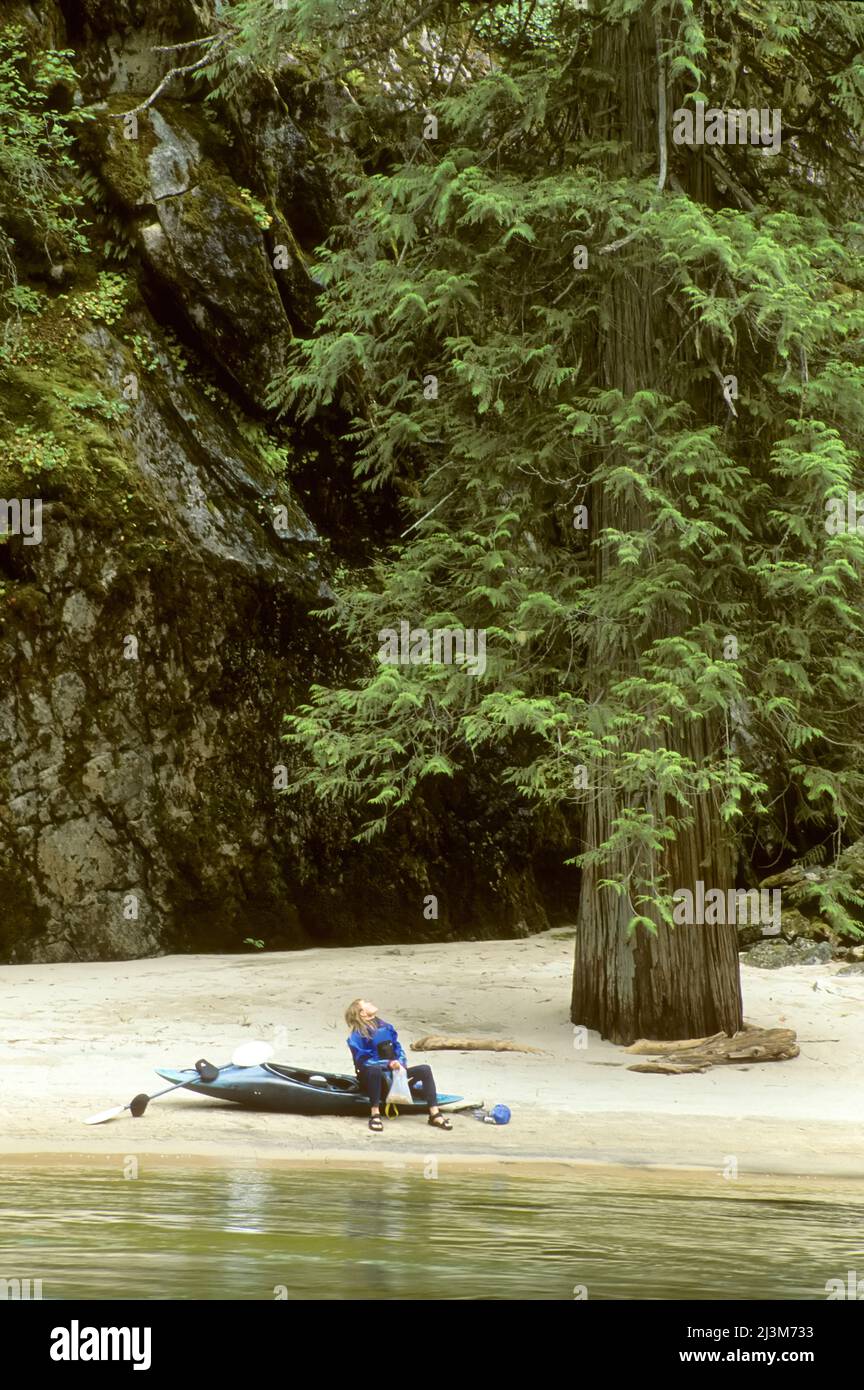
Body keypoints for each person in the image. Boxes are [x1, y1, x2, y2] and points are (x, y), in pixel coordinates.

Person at [345, 998, 453, 1133]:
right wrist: (389, 1064)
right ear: (362, 1013)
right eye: (366, 1003)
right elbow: (364, 1061)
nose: (370, 1003)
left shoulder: (387, 1028)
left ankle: (434, 1114)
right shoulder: (357, 1035)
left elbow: (398, 1049)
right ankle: (375, 1114)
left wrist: (400, 1063)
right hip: (373, 1077)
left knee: (425, 1070)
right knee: (374, 1070)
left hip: (394, 1073)